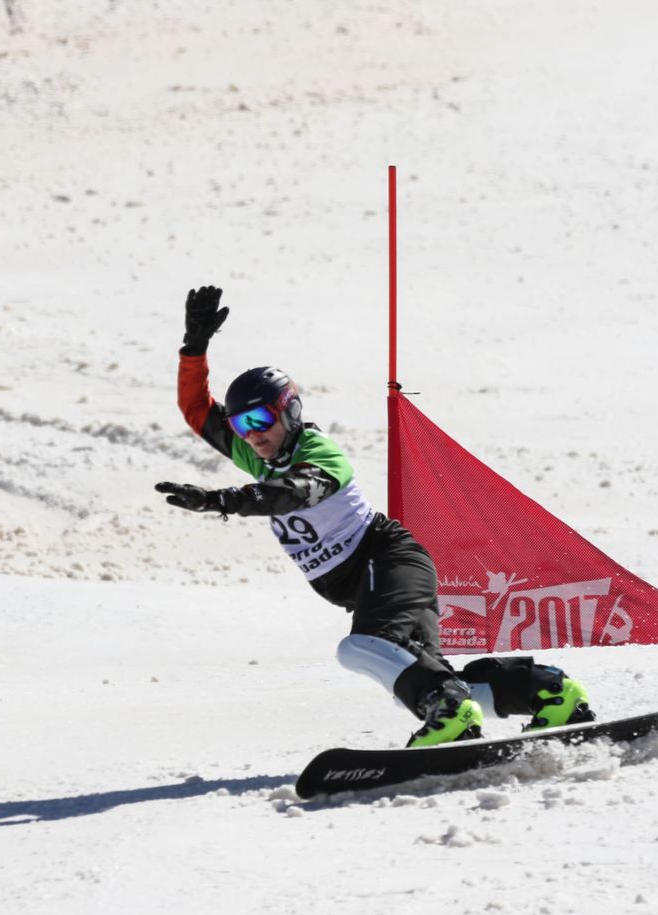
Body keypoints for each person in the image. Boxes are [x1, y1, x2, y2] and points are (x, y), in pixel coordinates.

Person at [155, 285, 592, 747]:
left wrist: (224, 501)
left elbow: (292, 494)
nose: (252, 436)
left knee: (360, 649)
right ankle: (548, 693)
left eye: (262, 420)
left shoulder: (318, 452)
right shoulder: (260, 455)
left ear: (291, 411)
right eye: (243, 426)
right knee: (422, 677)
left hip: (387, 561)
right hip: (371, 582)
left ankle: (453, 718)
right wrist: (194, 348)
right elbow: (198, 410)